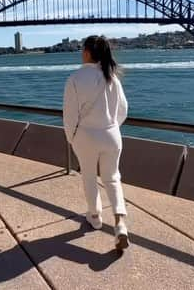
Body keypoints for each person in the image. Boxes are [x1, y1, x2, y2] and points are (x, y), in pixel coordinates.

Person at [63, 35, 129, 250]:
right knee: (113, 178)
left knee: (89, 177)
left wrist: (71, 137)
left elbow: (69, 115)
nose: (81, 53)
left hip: (86, 136)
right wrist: (111, 128)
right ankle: (120, 223)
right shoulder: (112, 78)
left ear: (88, 52)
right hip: (112, 135)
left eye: (82, 49)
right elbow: (123, 110)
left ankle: (95, 216)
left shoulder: (75, 78)